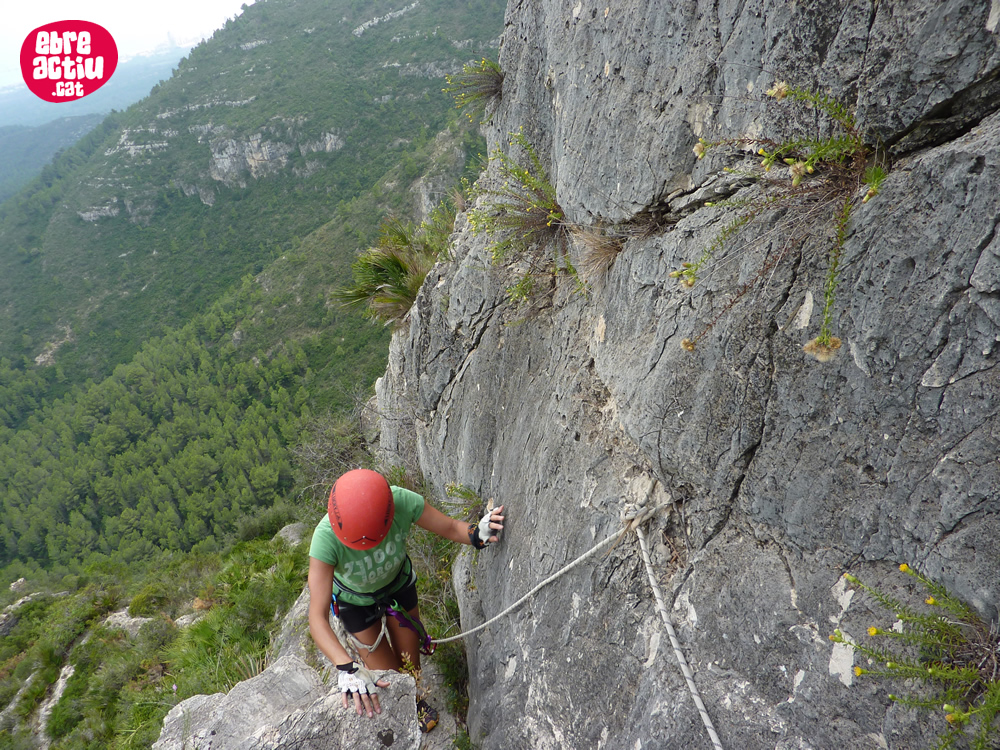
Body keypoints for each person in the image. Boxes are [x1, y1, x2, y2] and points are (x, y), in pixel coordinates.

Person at [308, 468, 504, 731]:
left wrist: (476, 534)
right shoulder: (325, 539)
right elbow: (317, 617)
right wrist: (347, 667)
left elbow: (448, 526)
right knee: (389, 679)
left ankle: (417, 700)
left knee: (410, 666)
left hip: (398, 587)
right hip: (356, 605)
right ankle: (408, 702)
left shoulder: (401, 502)